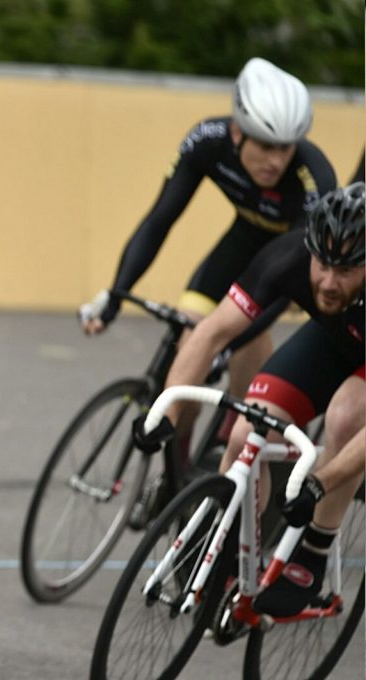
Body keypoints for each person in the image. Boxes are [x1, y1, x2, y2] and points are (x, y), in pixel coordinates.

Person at [80, 57, 336, 464]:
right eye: (265, 145)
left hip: (285, 267)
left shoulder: (314, 178)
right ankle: (177, 462)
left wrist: (227, 344)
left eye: (285, 147)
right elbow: (159, 221)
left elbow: (292, 279)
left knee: (245, 340)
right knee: (189, 340)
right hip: (239, 246)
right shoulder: (208, 141)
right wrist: (117, 293)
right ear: (237, 132)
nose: (275, 160)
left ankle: (228, 434)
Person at [135, 182, 365, 618]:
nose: (329, 282)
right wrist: (167, 413)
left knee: (346, 417)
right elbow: (210, 333)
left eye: (346, 271)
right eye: (323, 264)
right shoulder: (289, 255)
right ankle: (232, 557)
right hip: (331, 340)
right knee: (245, 436)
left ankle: (312, 554)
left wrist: (319, 482)